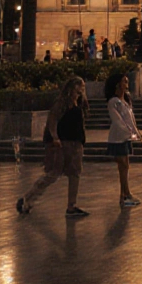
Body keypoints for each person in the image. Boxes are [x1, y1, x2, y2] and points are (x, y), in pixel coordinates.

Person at [16, 77, 91, 218]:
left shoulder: (80, 103)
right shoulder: (62, 103)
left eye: (83, 86)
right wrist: (55, 138)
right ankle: (27, 199)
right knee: (53, 174)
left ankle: (71, 206)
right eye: (79, 85)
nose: (82, 88)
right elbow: (52, 120)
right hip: (62, 143)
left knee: (75, 174)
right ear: (72, 87)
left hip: (76, 143)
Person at [105, 73, 142, 208]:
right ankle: (125, 195)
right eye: (124, 81)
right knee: (123, 166)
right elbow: (118, 121)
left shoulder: (125, 100)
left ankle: (125, 194)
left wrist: (136, 132)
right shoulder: (114, 102)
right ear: (117, 84)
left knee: (125, 166)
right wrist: (129, 132)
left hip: (125, 137)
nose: (127, 84)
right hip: (118, 137)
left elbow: (130, 119)